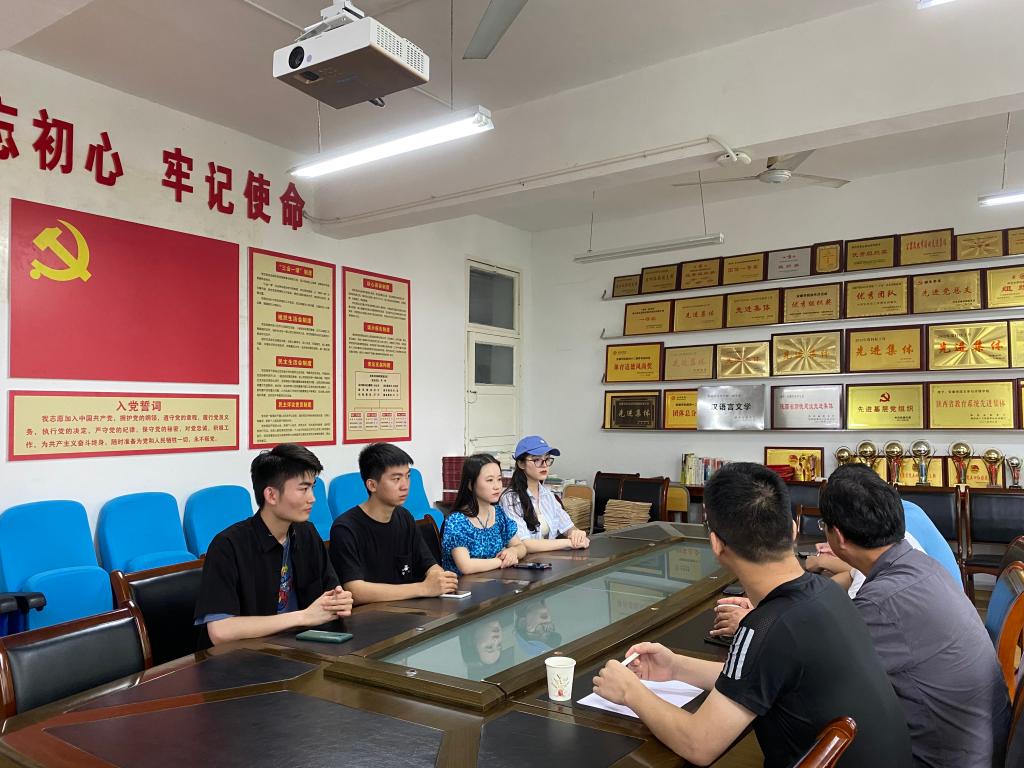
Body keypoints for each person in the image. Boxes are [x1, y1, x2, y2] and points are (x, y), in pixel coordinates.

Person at [592, 462, 912, 768]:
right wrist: (675, 667)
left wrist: (629, 691)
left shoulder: (766, 625)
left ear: (716, 545)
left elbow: (699, 744)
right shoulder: (825, 592)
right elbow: (758, 678)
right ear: (793, 529)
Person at [815, 464, 1010, 767]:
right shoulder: (920, 564)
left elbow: (823, 673)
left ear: (837, 536)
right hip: (984, 744)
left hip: (947, 758)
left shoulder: (882, 602)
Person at [194, 443, 353, 647]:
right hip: (245, 657)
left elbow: (329, 594)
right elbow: (221, 631)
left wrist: (339, 602)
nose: (312, 498)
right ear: (271, 495)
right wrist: (303, 617)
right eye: (303, 489)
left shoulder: (307, 533)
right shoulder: (228, 546)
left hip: (301, 648)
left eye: (312, 488)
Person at [329, 443, 459, 604]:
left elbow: (429, 564)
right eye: (396, 479)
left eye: (408, 476)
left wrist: (438, 577)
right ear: (372, 485)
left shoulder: (404, 517)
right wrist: (423, 588)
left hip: (407, 609)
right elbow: (355, 591)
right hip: (370, 614)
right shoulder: (345, 528)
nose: (405, 486)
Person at [499, 435, 590, 553]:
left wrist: (577, 534)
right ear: (521, 464)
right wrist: (569, 542)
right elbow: (523, 544)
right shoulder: (510, 499)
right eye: (536, 460)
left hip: (548, 560)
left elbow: (568, 527)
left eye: (547, 459)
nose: (544, 465)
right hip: (523, 562)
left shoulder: (548, 495)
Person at [441, 453, 527, 575]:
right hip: (463, 584)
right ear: (470, 484)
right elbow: (466, 566)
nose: (497, 486)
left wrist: (513, 552)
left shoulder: (498, 513)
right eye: (489, 480)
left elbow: (521, 546)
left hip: (494, 580)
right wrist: (502, 561)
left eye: (499, 479)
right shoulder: (457, 521)